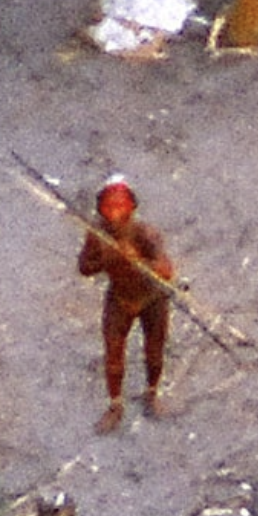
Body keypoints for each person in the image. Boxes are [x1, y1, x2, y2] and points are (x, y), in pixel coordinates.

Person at [77, 176, 175, 434]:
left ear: (132, 207)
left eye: (121, 207)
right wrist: (105, 260)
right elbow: (84, 268)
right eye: (109, 208)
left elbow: (165, 270)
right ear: (101, 210)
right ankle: (115, 404)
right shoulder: (97, 235)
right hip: (120, 298)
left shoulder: (145, 233)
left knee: (154, 350)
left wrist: (137, 261)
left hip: (152, 298)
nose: (115, 214)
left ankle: (152, 393)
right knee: (113, 354)